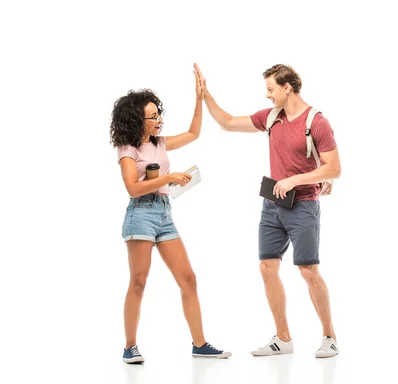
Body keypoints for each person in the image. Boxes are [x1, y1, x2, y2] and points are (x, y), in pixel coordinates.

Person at [199, 63, 341, 358]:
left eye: (271, 89)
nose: (267, 95)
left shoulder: (317, 122)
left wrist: (296, 179)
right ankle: (283, 338)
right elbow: (226, 122)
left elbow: (334, 168)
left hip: (303, 205)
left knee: (307, 270)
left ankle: (329, 337)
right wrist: (205, 96)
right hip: (272, 204)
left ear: (287, 87)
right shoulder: (272, 117)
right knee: (267, 267)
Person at [110, 65, 231, 363]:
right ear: (138, 119)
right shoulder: (128, 148)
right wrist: (168, 178)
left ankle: (200, 344)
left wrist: (199, 99)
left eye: (158, 114)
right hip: (140, 213)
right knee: (138, 281)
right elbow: (132, 188)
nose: (158, 120)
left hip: (164, 214)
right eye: (153, 117)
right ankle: (129, 347)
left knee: (188, 278)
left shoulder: (159, 143)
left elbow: (193, 133)